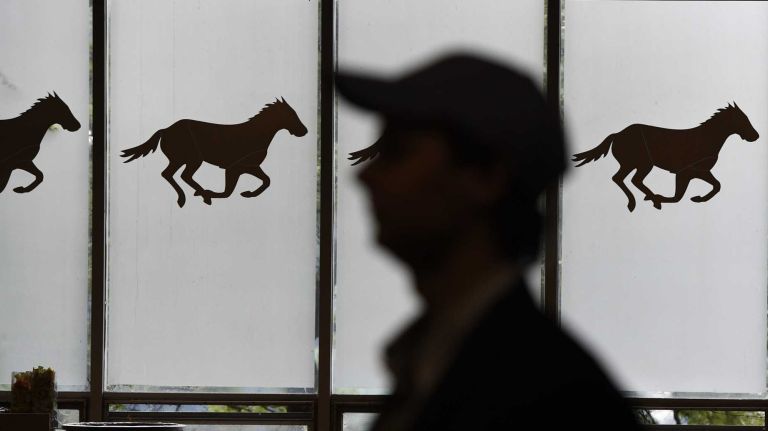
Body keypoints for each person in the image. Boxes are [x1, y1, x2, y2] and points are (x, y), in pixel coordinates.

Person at [336, 53, 640, 431]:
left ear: (486, 179)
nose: (364, 176)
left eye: (397, 153)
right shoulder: (446, 361)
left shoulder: (553, 398)